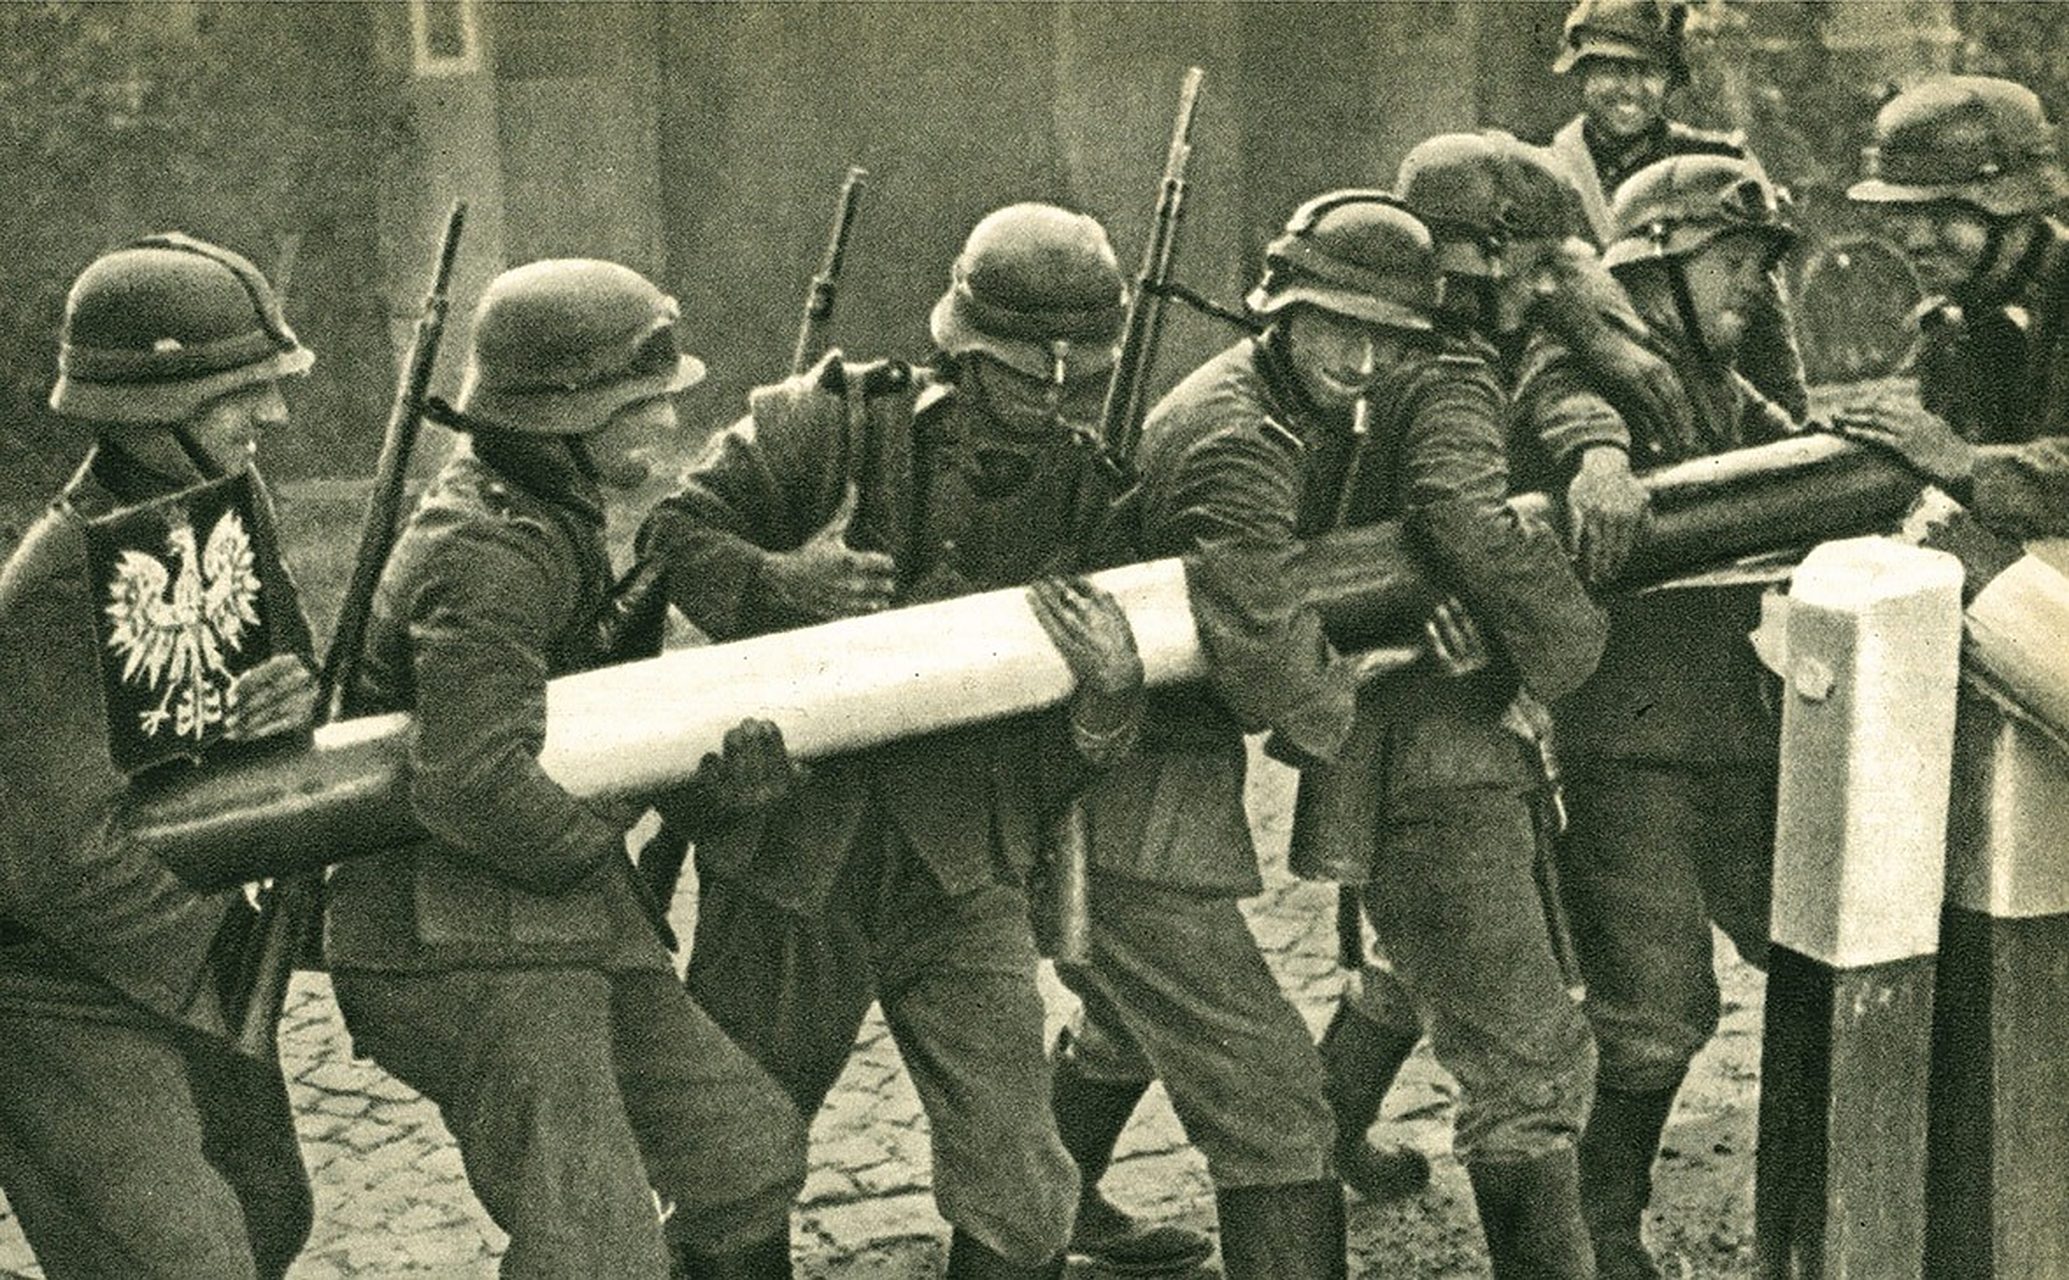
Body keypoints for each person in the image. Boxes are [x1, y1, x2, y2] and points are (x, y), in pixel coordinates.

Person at [637, 203, 1192, 1280]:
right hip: (791, 850)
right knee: (730, 1167)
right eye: (1025, 374)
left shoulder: (1094, 495)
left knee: (1021, 1181)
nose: (1050, 398)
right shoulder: (829, 423)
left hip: (962, 865)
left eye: (1072, 380)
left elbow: (1082, 736)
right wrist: (777, 582)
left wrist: (1109, 696)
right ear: (964, 351)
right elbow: (672, 533)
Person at [1059, 190, 1607, 1279]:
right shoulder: (1239, 438)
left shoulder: (1281, 397)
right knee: (1273, 1103)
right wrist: (1379, 673)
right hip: (1123, 761)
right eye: (1334, 329)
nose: (1359, 364)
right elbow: (1266, 646)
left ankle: (1051, 1205)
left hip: (1144, 753)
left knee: (1132, 1015)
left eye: (1382, 340)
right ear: (1278, 310)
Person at [322, 259, 809, 1280]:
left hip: (554, 920)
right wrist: (631, 797)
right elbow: (474, 785)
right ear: (564, 418)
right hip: (457, 948)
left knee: (741, 1153)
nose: (667, 421)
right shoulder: (486, 553)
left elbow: (577, 727)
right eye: (642, 402)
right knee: (596, 1253)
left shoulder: (549, 515)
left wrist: (707, 790)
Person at [1311, 129, 1684, 1213]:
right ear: (1475, 263)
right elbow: (1461, 515)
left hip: (1424, 703)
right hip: (1431, 722)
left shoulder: (1399, 345)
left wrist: (1594, 446)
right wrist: (1565, 652)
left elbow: (1549, 386)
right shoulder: (1444, 368)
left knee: (1416, 957)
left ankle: (1321, 1136)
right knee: (1529, 1058)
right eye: (1526, 271)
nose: (1539, 293)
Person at [0, 234, 319, 1279]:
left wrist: (290, 691)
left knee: (269, 1211)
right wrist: (227, 953)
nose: (274, 413)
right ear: (149, 409)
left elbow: (282, 656)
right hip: (50, 978)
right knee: (175, 1260)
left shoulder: (225, 503)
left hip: (170, 933)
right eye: (241, 392)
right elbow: (58, 862)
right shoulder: (56, 588)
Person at [1510, 153, 1801, 1280]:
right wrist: (1597, 462)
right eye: (1734, 265)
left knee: (1818, 950)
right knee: (1653, 1008)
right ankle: (1599, 1224)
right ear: (1659, 268)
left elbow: (1787, 448)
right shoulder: (1594, 361)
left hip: (1740, 734)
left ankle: (1819, 1196)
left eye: (1761, 267)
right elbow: (1562, 400)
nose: (1753, 290)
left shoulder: (1713, 379)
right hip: (1627, 751)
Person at [1542, 0, 1810, 420]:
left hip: (1710, 406)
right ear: (1582, 73)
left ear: (1669, 81)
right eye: (1614, 70)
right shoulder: (1547, 176)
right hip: (1592, 404)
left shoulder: (1716, 163)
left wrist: (1788, 419)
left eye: (1649, 72)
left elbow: (1760, 306)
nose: (1631, 89)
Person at [1837, 74, 2069, 538]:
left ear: (2013, 209)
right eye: (1904, 216)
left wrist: (1965, 462)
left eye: (1943, 215)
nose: (1916, 240)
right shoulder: (1951, 323)